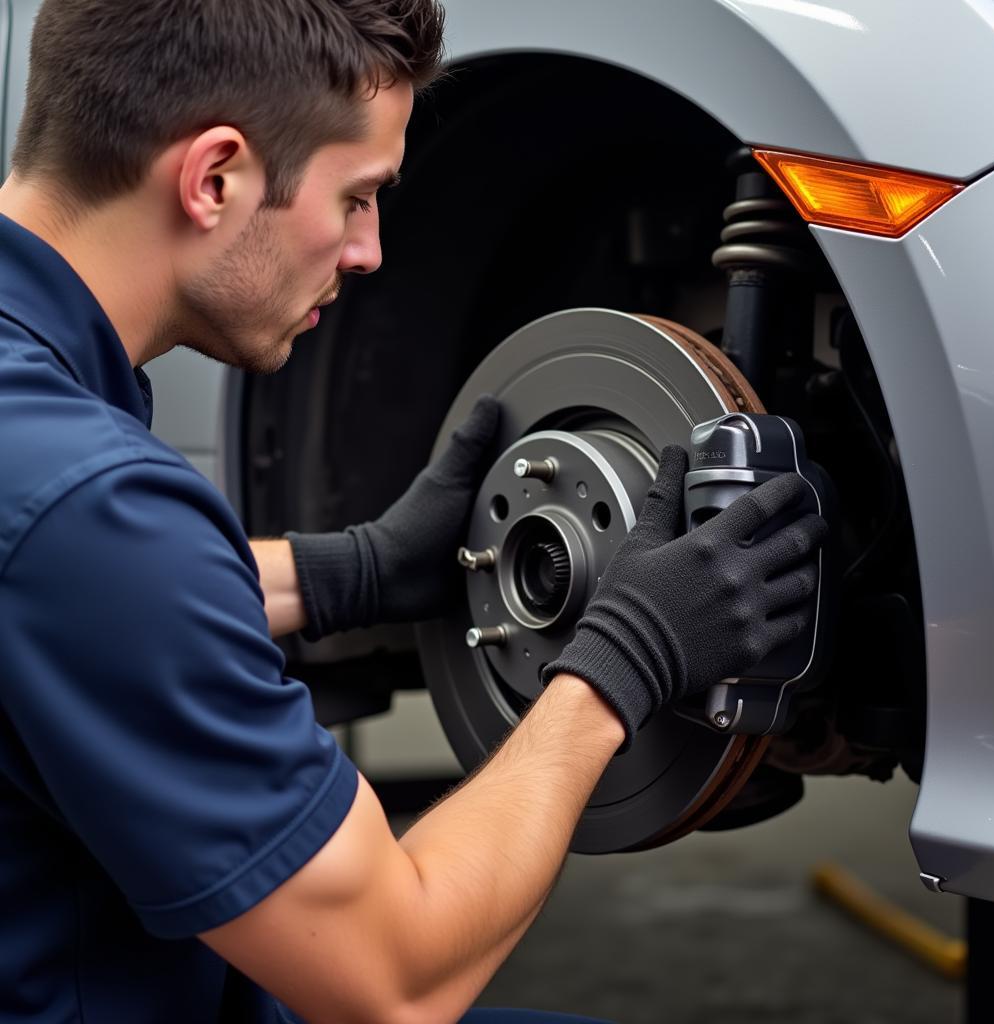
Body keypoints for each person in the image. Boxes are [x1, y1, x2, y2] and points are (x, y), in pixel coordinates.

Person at [0, 1, 827, 1021]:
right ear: (214, 177)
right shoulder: (93, 505)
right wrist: (621, 662)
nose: (371, 251)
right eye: (356, 198)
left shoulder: (41, 446)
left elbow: (75, 600)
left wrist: (353, 570)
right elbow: (395, 978)